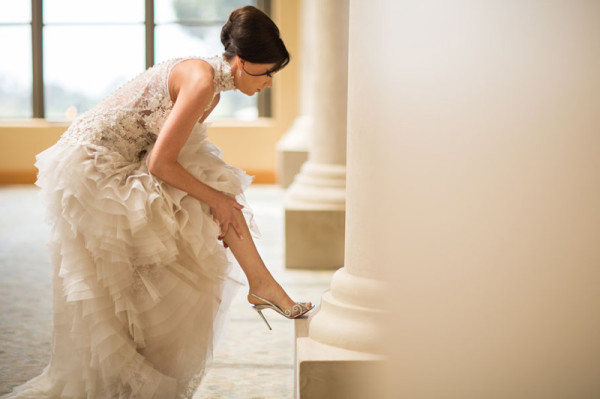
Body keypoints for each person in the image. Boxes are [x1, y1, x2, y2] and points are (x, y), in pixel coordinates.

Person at [4, 5, 312, 398]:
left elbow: (168, 157)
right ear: (241, 62)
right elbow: (161, 163)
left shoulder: (210, 85)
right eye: (266, 71)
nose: (269, 82)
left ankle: (261, 284)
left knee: (210, 199)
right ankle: (261, 286)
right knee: (201, 206)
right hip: (91, 167)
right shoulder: (202, 80)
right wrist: (214, 199)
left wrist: (214, 202)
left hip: (132, 160)